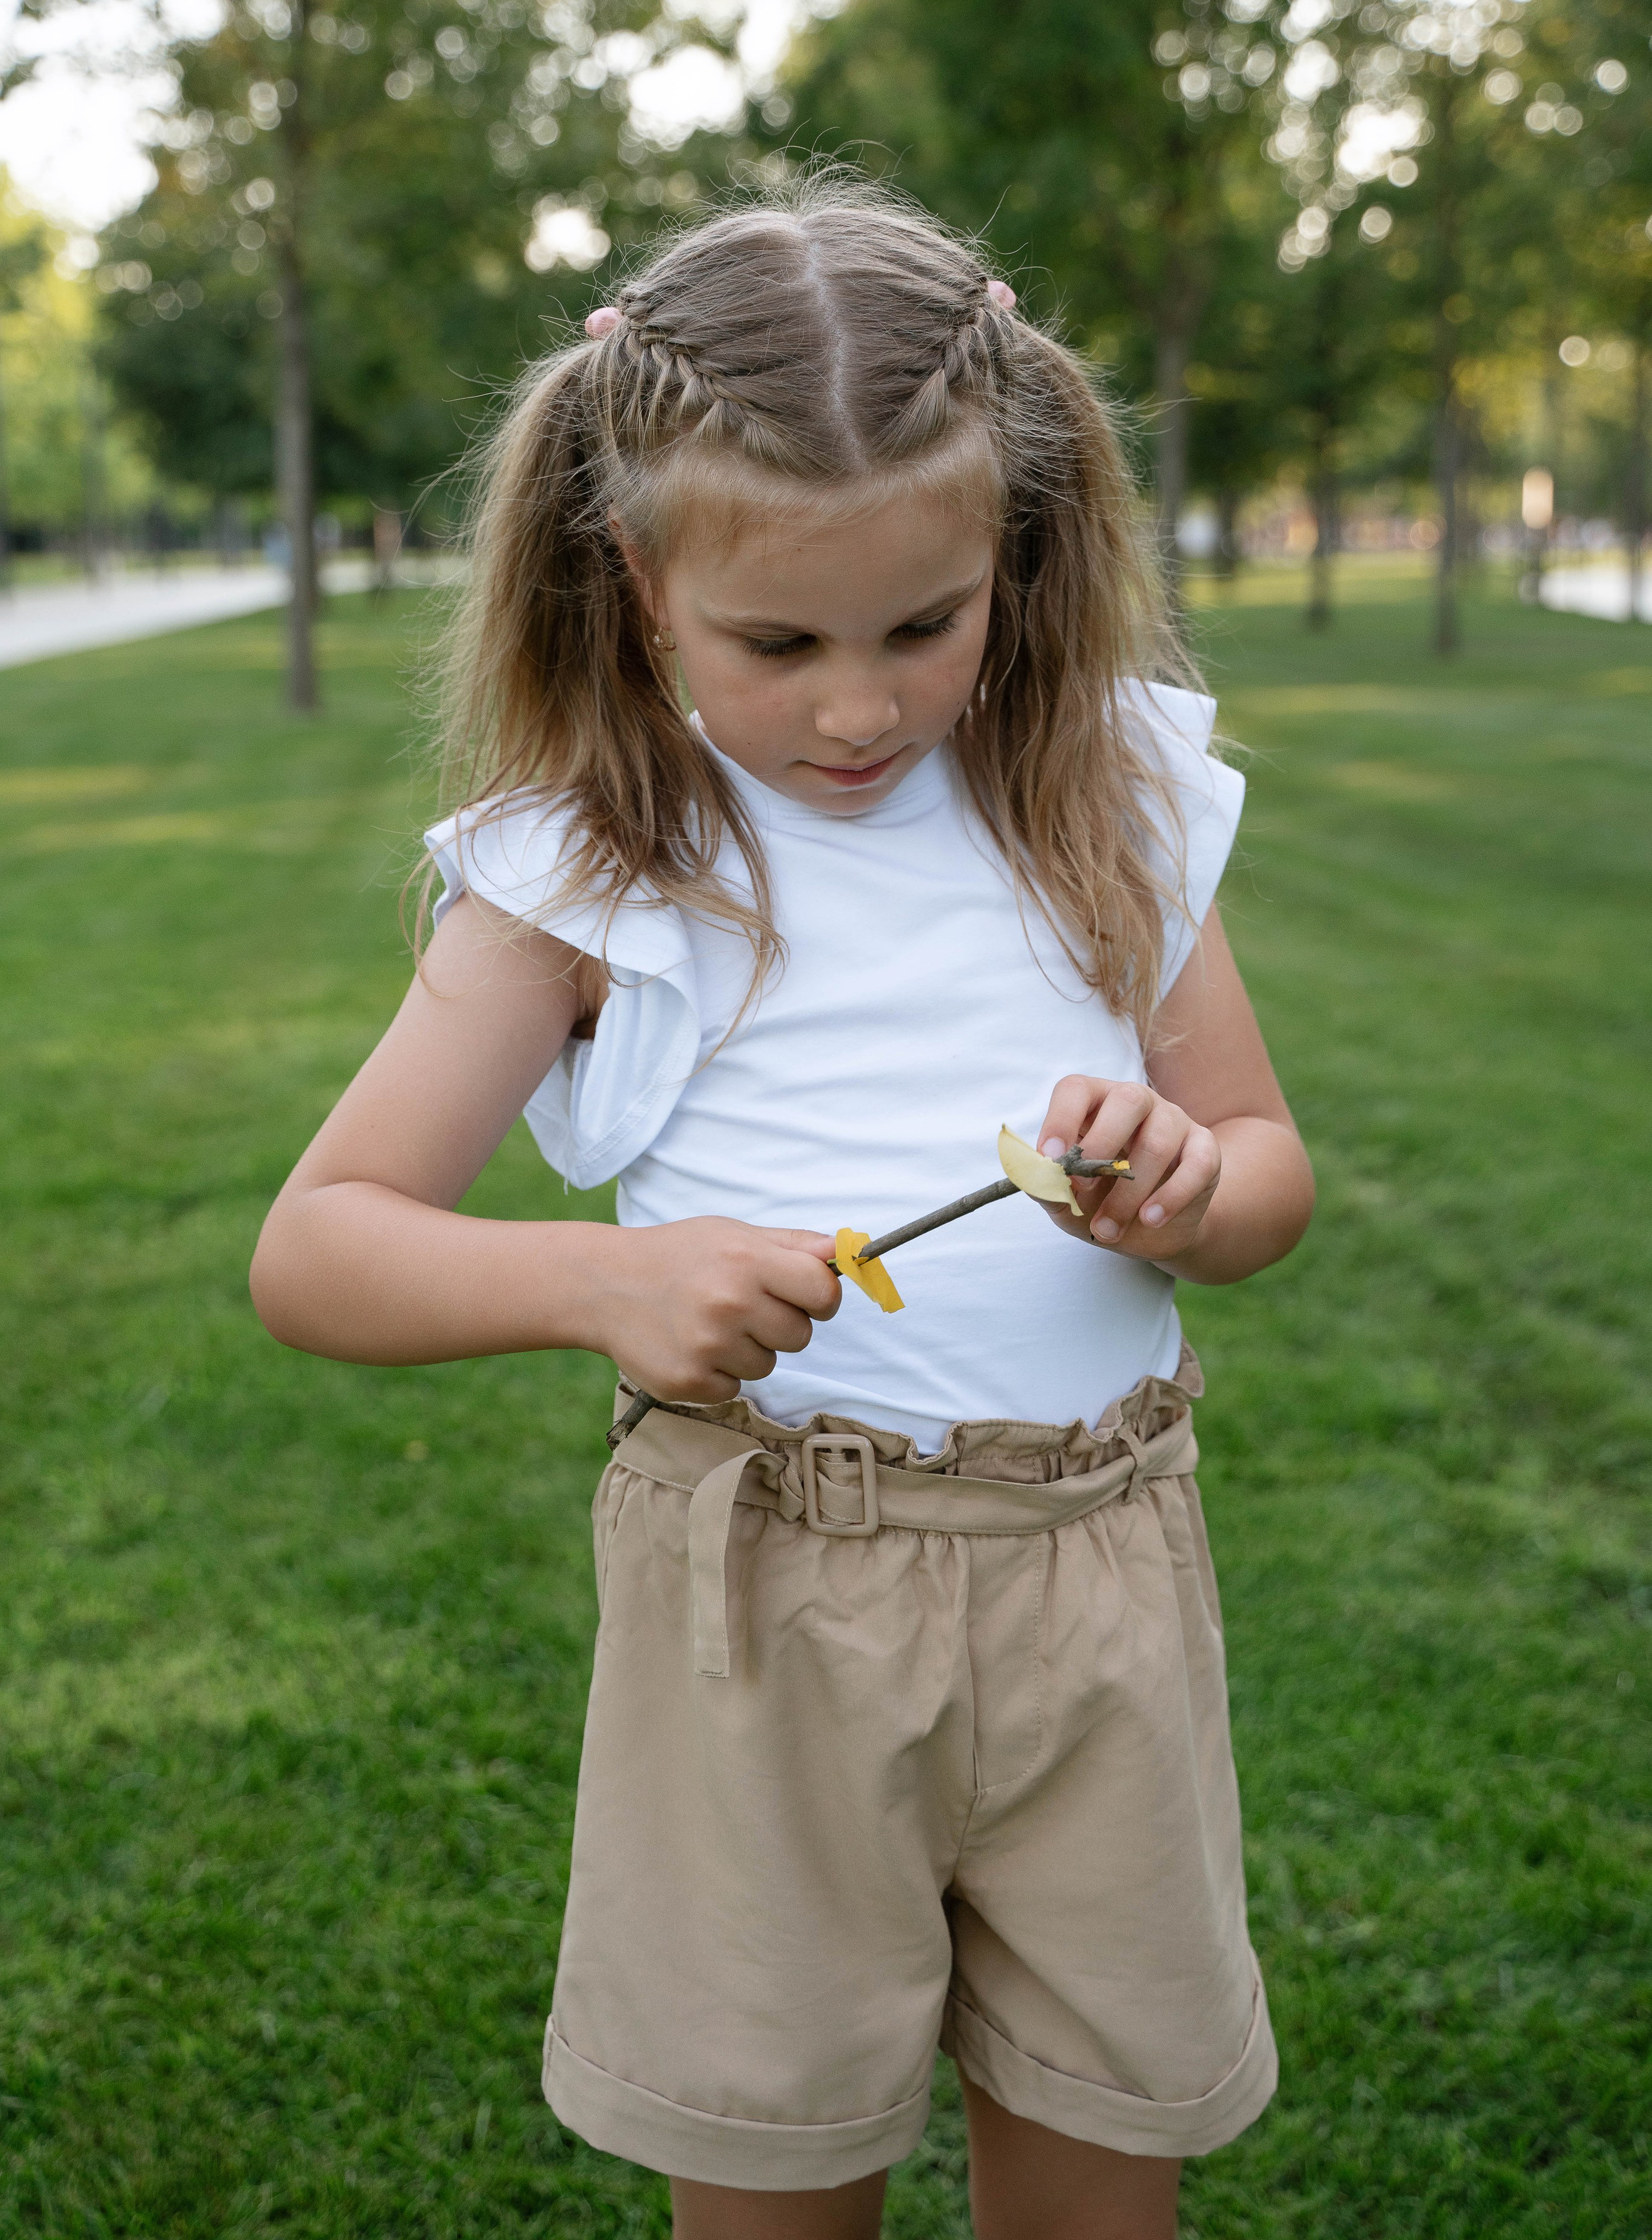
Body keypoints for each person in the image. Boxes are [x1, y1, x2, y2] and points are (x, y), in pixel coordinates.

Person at [250, 180, 1315, 2240]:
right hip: (770, 1592)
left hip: (1103, 1564)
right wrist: (602, 1281)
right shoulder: (586, 868)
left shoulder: (1107, 792)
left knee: (1108, 2165)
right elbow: (322, 1244)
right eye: (780, 641)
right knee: (773, 2178)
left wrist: (1192, 1196)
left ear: (1014, 552)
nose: (858, 708)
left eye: (925, 625)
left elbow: (1263, 1166)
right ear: (641, 579)